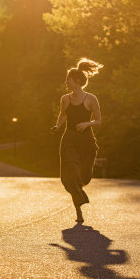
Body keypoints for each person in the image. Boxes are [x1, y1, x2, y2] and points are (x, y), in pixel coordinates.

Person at [50, 58, 103, 223]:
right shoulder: (65, 99)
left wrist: (86, 123)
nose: (66, 82)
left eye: (68, 79)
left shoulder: (91, 99)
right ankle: (79, 211)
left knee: (84, 177)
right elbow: (63, 115)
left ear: (77, 80)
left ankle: (80, 193)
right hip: (69, 138)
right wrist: (57, 127)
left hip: (86, 140)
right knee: (69, 173)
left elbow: (99, 121)